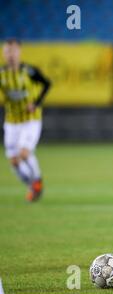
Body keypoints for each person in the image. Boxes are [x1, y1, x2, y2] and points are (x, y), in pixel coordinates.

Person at [0, 39, 51, 202]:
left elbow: (47, 84)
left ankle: (37, 181)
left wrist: (36, 103)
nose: (10, 55)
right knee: (14, 161)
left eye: (13, 51)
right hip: (11, 121)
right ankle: (33, 185)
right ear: (3, 54)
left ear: (19, 52)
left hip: (30, 120)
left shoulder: (29, 71)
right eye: (7, 51)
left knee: (23, 153)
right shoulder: (2, 73)